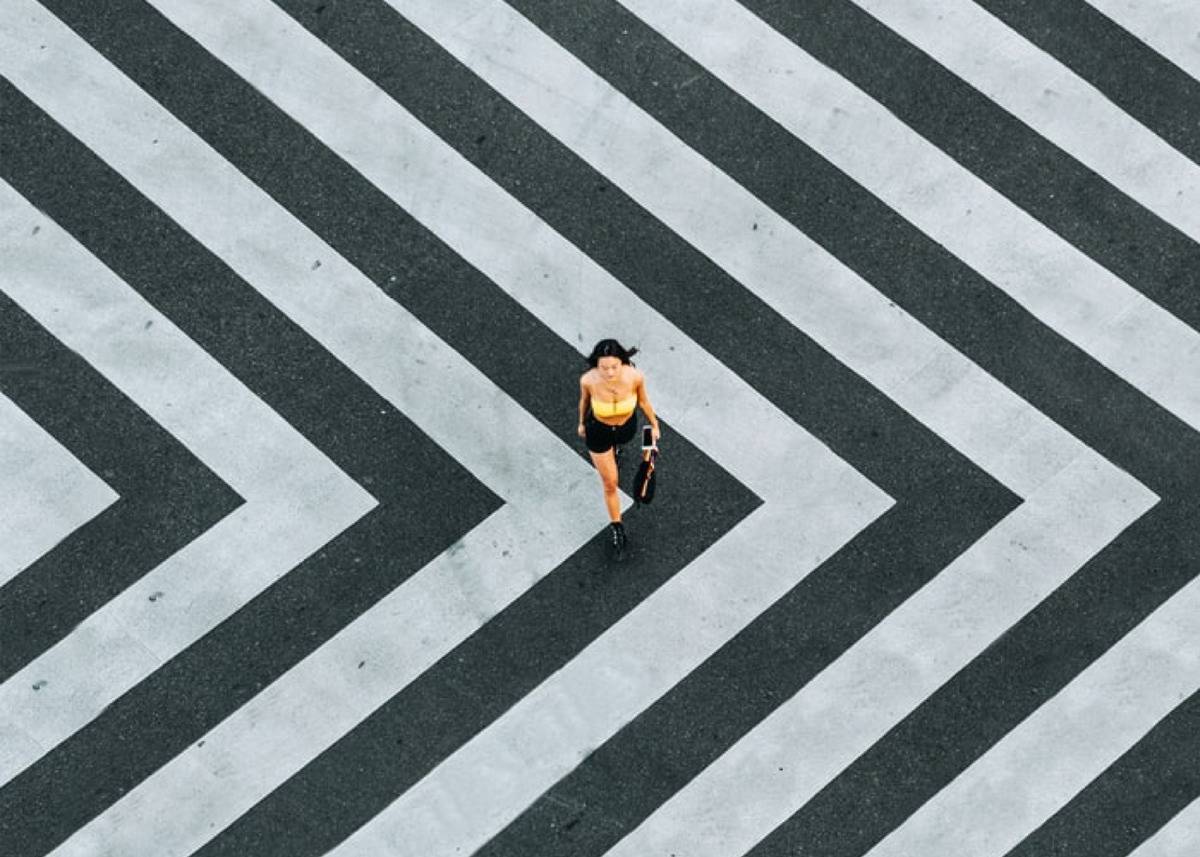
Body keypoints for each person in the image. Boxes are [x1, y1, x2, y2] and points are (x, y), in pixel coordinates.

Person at [577, 339, 662, 557]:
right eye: (604, 367)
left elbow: (643, 401)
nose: (610, 372)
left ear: (622, 362)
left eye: (614, 366)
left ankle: (616, 449)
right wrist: (581, 423)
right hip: (599, 432)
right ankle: (617, 527)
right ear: (597, 364)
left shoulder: (634, 376)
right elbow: (584, 402)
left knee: (621, 445)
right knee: (610, 483)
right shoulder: (589, 380)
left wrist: (654, 424)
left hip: (625, 428)